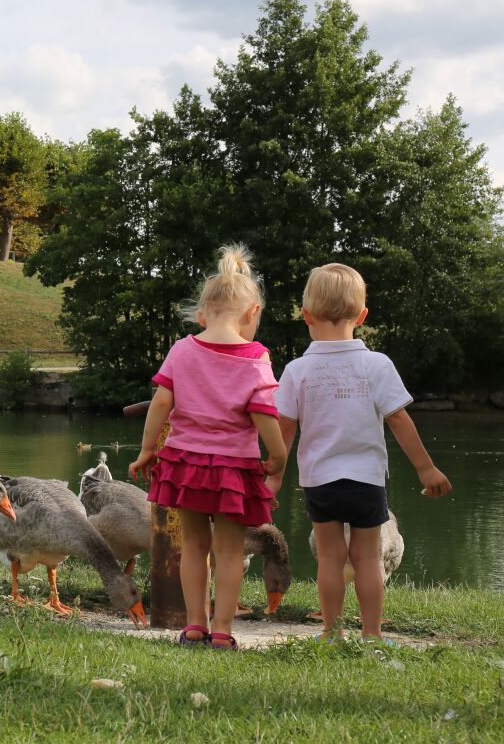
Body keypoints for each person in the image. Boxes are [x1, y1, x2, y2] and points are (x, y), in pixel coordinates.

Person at [268, 263, 452, 641]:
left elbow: (284, 429)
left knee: (331, 559)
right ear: (363, 316)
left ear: (305, 316)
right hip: (366, 481)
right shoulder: (376, 364)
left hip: (320, 482)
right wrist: (426, 468)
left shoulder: (297, 370)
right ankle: (372, 634)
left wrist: (273, 476)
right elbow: (399, 420)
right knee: (367, 560)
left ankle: (331, 631)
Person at [129, 245, 286, 650]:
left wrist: (148, 448)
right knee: (230, 552)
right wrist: (279, 455)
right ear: (252, 313)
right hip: (234, 468)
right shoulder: (256, 358)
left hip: (186, 462)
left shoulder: (182, 350)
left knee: (194, 547)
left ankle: (194, 625)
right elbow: (264, 413)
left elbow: (162, 403)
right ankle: (222, 630)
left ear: (201, 314)